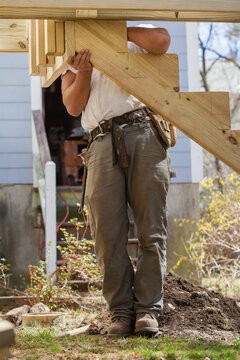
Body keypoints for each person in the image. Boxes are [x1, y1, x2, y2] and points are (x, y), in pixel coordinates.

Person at [61, 25, 171, 337]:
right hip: (100, 140)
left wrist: (117, 29)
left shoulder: (135, 26)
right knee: (107, 235)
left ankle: (148, 311)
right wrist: (83, 71)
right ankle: (120, 313)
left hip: (145, 133)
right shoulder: (74, 42)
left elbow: (161, 41)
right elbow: (72, 105)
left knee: (152, 228)